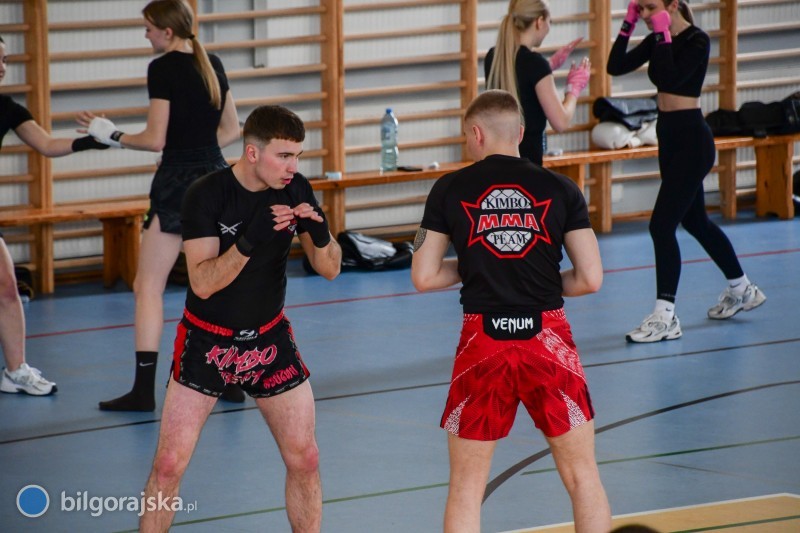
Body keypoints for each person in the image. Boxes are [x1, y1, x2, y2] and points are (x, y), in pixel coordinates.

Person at [411, 90, 611, 532]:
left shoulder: (448, 188)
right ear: (520, 132)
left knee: (466, 487)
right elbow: (590, 278)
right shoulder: (561, 188)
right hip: (548, 339)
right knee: (583, 477)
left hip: (482, 341)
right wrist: (538, 282)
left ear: (476, 133)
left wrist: (478, 268)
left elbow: (424, 276)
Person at [139, 104, 340, 532]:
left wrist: (321, 232)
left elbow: (330, 269)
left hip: (269, 340)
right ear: (252, 153)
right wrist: (250, 240)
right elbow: (202, 283)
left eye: (298, 156)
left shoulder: (295, 188)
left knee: (305, 458)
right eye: (283, 156)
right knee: (169, 464)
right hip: (207, 342)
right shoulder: (206, 194)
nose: (293, 167)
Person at [78, 0, 242, 410]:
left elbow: (155, 139)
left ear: (167, 32)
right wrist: (193, 152)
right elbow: (232, 129)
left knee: (147, 286)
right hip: (216, 177)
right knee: (215, 282)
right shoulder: (211, 63)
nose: (146, 35)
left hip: (177, 186)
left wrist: (112, 135)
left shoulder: (162, 68)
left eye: (149, 28)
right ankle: (230, 380)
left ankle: (142, 391)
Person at [607, 0, 766, 343]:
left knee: (661, 225)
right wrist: (628, 24)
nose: (645, 15)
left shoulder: (697, 40)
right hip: (669, 138)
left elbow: (672, 78)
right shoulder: (656, 38)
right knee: (695, 221)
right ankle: (742, 289)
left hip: (693, 141)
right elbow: (615, 66)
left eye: (649, 8)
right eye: (640, 9)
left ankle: (665, 316)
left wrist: (662, 34)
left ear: (673, 5)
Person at [0, 35, 109, 396]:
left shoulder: (6, 108)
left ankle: (15, 371)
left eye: (5, 60)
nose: (2, 67)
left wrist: (88, 142)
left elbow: (46, 144)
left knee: (7, 289)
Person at [485, 0, 591, 165]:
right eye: (550, 21)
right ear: (539, 21)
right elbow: (561, 122)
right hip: (528, 168)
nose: (549, 27)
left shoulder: (494, 57)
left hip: (497, 166)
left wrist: (549, 65)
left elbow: (521, 80)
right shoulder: (535, 64)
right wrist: (574, 88)